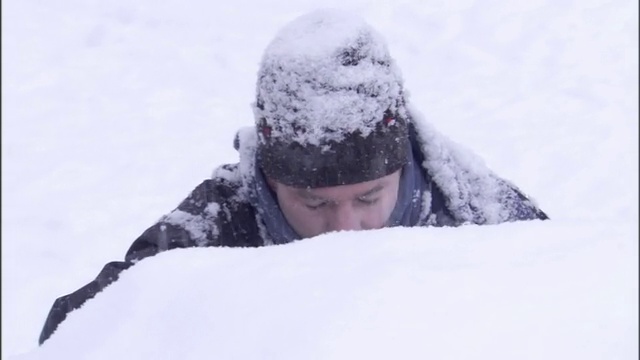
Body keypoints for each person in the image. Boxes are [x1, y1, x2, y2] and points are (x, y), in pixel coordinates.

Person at [38, 8, 548, 345]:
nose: (346, 228)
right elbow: (77, 332)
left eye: (369, 197)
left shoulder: (484, 218)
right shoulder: (210, 235)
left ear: (404, 165)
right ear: (269, 181)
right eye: (315, 203)